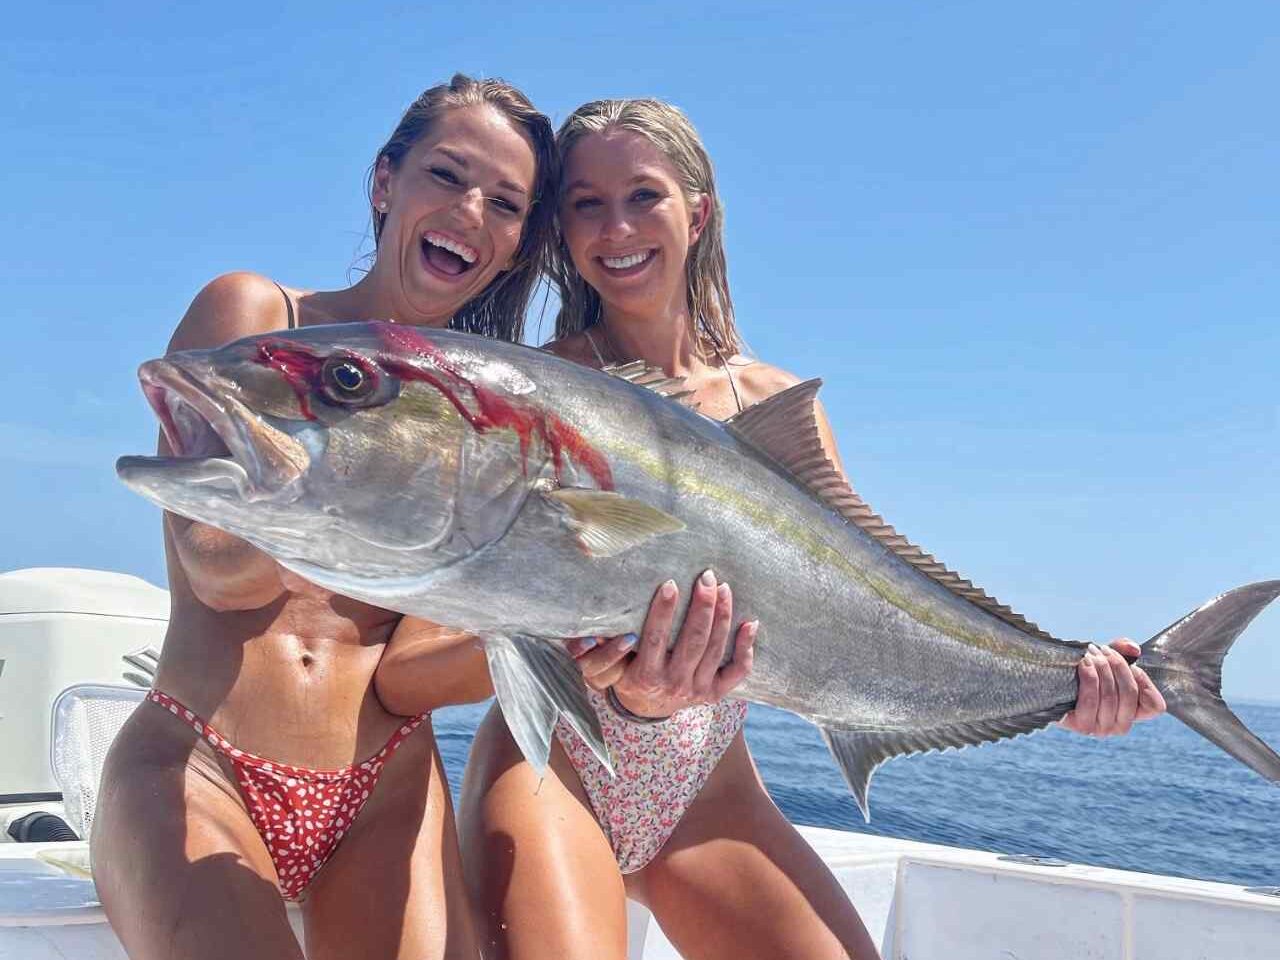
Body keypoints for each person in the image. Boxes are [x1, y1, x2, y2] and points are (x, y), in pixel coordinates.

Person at [437, 98, 1164, 960]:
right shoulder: (534, 391)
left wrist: (1057, 687)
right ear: (562, 227)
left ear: (697, 213)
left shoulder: (779, 409)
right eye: (586, 203)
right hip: (551, 773)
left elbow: (877, 612)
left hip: (709, 794)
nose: (617, 227)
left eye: (644, 195)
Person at [93, 74, 558, 960]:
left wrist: (561, 634)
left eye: (505, 204)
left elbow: (408, 674)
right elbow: (217, 573)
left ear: (511, 249)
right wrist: (337, 481)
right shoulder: (260, 321)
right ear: (385, 182)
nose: (470, 211)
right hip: (199, 762)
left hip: (384, 790)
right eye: (447, 174)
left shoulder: (483, 423)